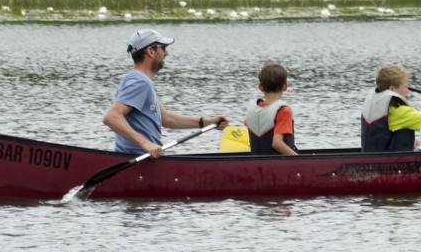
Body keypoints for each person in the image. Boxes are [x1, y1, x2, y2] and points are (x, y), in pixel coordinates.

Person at [103, 28, 228, 157]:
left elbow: (167, 119)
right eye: (163, 48)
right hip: (140, 162)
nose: (166, 53)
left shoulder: (140, 81)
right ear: (150, 51)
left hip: (146, 160)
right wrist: (145, 144)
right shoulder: (140, 82)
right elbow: (111, 117)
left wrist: (208, 121)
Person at [245, 62, 298, 156]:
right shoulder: (283, 110)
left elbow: (246, 122)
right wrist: (300, 161)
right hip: (278, 166)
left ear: (261, 87)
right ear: (285, 86)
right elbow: (277, 143)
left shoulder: (252, 108)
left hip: (255, 165)